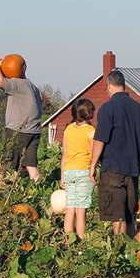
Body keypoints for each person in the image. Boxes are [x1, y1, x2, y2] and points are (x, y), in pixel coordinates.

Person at [89, 70, 140, 237]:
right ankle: (131, 255)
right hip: (133, 169)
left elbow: (100, 139)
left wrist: (93, 165)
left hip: (113, 169)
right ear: (123, 85)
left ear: (109, 86)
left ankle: (120, 253)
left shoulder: (108, 109)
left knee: (118, 216)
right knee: (130, 215)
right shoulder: (139, 109)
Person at [0, 56, 43, 181]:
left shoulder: (17, 84)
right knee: (31, 165)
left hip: (18, 130)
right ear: (24, 68)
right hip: (34, 131)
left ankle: (2, 190)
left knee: (7, 163)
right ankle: (37, 189)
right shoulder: (32, 86)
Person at [60, 98, 96, 241]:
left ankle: (68, 243)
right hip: (83, 171)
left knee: (70, 210)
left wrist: (62, 176)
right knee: (81, 212)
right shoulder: (91, 131)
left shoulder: (68, 129)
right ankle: (81, 243)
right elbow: (94, 154)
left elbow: (65, 154)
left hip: (69, 171)